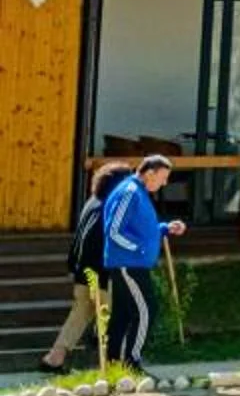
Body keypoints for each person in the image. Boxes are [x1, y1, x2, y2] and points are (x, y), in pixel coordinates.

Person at [39, 160, 133, 372]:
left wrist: (74, 266)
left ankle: (54, 358)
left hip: (83, 271)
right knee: (116, 317)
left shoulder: (92, 202)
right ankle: (115, 364)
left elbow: (80, 238)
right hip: (103, 272)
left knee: (80, 314)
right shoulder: (112, 207)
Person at [101, 155, 185, 372]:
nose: (164, 183)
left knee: (123, 313)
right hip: (129, 264)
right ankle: (132, 361)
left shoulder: (139, 193)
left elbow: (142, 230)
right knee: (147, 310)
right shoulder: (130, 192)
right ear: (149, 173)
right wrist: (138, 249)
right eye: (162, 177)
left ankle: (114, 363)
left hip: (131, 262)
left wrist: (165, 228)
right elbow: (114, 230)